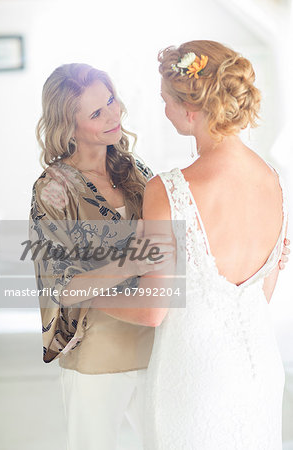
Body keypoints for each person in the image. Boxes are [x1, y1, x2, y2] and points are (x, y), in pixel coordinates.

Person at [90, 40, 290, 449]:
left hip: (194, 378)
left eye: (166, 100)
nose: (163, 110)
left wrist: (82, 293)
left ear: (191, 109)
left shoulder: (169, 189)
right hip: (260, 372)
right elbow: (260, 294)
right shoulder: (273, 180)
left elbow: (151, 309)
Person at [29, 63, 173, 450]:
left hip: (155, 344)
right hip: (95, 355)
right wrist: (135, 261)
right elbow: (61, 286)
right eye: (96, 113)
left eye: (110, 101)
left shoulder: (135, 168)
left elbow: (172, 236)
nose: (114, 115)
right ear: (69, 127)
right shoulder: (53, 191)